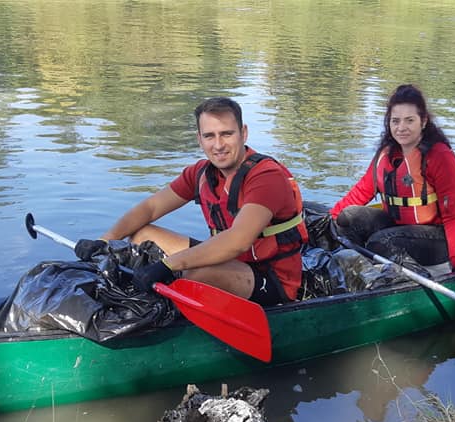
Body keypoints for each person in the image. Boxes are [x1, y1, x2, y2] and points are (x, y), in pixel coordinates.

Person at [74, 97, 307, 306]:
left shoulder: (266, 177)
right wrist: (104, 241)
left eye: (227, 134)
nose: (218, 145)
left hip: (272, 279)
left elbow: (239, 241)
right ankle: (143, 296)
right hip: (228, 261)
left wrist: (168, 265)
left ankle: (162, 307)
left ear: (243, 133)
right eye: (209, 136)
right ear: (199, 139)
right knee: (140, 236)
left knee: (196, 276)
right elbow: (150, 208)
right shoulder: (201, 173)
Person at [330, 84, 455, 270]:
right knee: (348, 217)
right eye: (395, 121)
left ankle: (405, 278)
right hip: (396, 226)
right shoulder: (387, 153)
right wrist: (330, 219)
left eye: (409, 120)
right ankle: (355, 270)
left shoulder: (440, 156)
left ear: (423, 121)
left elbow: (453, 216)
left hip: (435, 237)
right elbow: (362, 191)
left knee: (382, 242)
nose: (401, 128)